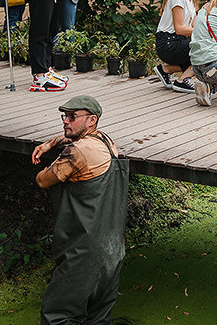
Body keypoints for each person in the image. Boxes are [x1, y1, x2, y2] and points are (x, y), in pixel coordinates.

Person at [32, 95, 128, 325]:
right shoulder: (105, 141)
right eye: (64, 116)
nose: (66, 121)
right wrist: (51, 143)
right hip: (112, 250)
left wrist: (51, 157)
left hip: (83, 253)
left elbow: (42, 181)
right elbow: (72, 139)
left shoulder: (77, 153)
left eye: (72, 117)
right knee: (99, 316)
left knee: (58, 314)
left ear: (91, 119)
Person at [154, 0, 203, 93]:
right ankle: (182, 81)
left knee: (208, 50)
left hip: (178, 41)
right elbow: (179, 28)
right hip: (168, 44)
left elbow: (194, 25)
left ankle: (165, 70)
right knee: (205, 48)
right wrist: (204, 34)